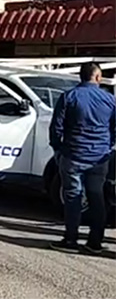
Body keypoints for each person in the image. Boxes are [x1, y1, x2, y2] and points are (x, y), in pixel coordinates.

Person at [49, 62, 116, 255]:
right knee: (97, 197)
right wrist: (108, 145)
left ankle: (70, 239)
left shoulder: (69, 97)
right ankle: (95, 242)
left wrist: (58, 148)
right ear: (97, 77)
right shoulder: (109, 99)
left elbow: (56, 127)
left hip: (73, 154)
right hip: (99, 157)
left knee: (73, 197)